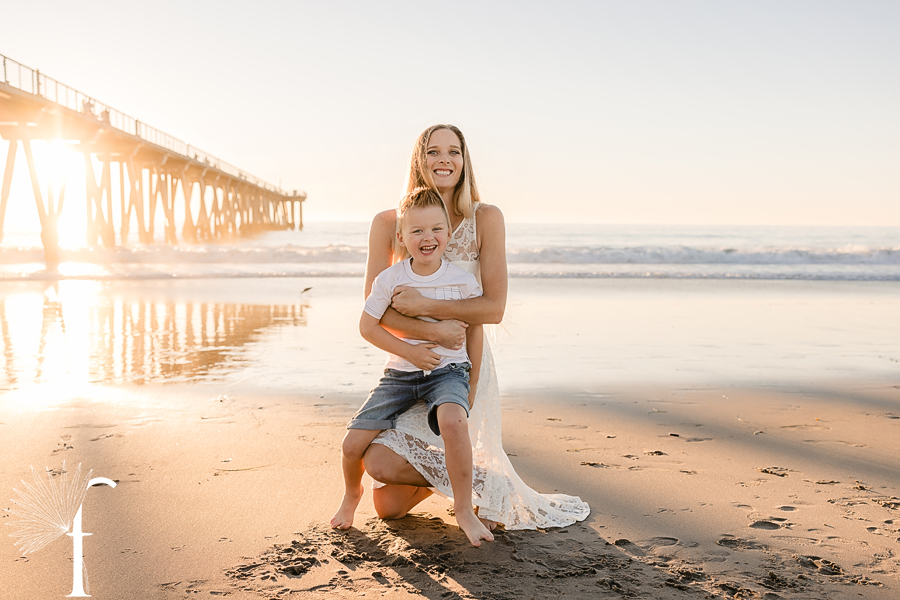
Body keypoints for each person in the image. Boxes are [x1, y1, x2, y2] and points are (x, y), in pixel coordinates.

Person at [361, 124, 590, 530]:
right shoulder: (389, 223)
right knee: (385, 495)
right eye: (433, 152)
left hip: (463, 365)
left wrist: (427, 304)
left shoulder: (485, 218)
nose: (444, 160)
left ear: (465, 161)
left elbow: (493, 308)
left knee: (393, 493)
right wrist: (430, 333)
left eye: (454, 151)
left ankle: (471, 479)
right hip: (408, 367)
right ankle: (487, 480)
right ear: (419, 159)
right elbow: (373, 311)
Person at [330, 187, 494, 547]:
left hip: (448, 372)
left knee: (453, 421)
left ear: (448, 234)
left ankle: (464, 509)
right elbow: (367, 327)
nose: (427, 238)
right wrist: (411, 352)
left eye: (436, 229)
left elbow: (476, 332)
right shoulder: (390, 280)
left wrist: (472, 377)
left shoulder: (463, 282)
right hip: (399, 376)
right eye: (416, 231)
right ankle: (351, 495)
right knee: (351, 444)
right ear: (401, 237)